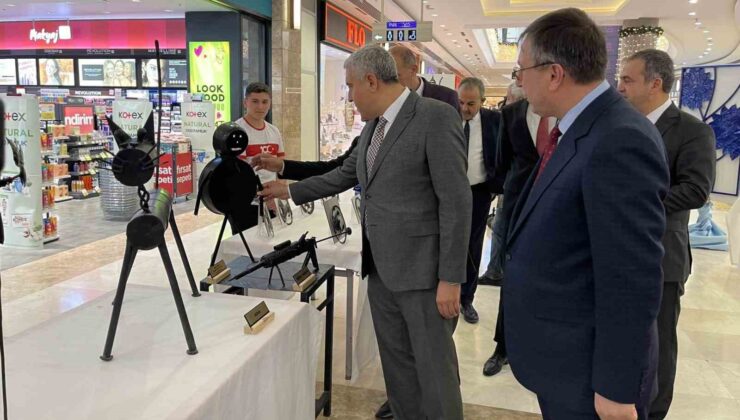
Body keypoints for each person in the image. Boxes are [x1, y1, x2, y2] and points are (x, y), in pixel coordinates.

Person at [260, 44, 471, 420]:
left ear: (371, 81)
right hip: (381, 270)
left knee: (434, 371)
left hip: (425, 275)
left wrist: (451, 278)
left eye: (350, 86)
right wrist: (290, 189)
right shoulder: (373, 126)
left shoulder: (435, 117)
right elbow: (343, 174)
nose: (349, 95)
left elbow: (456, 202)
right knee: (398, 367)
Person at [505, 8, 669, 419]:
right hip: (563, 361)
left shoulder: (618, 138)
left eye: (521, 69)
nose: (519, 80)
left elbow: (631, 275)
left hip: (589, 377)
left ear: (555, 74)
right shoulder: (582, 127)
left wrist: (615, 388)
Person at [618, 49, 716, 420]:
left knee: (657, 345)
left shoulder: (692, 131)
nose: (620, 86)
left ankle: (654, 413)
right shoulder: (623, 125)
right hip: (616, 253)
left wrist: (632, 204)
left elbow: (695, 189)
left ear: (654, 83)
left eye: (628, 79)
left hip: (663, 256)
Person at [482, 82, 556, 377]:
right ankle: (503, 347)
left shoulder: (565, 113)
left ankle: (543, 347)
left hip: (557, 205)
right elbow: (501, 162)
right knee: (512, 277)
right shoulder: (511, 114)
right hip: (517, 204)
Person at [457, 77, 503, 324]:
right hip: (450, 193)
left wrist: (497, 182)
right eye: (462, 102)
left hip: (479, 192)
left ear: (483, 101)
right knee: (448, 241)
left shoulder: (494, 121)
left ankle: (467, 299)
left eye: (471, 104)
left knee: (473, 246)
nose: (465, 108)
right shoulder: (448, 118)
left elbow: (502, 152)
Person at [389, 45, 460, 112]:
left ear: (413, 70)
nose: (389, 83)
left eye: (395, 77)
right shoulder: (384, 100)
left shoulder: (447, 97)